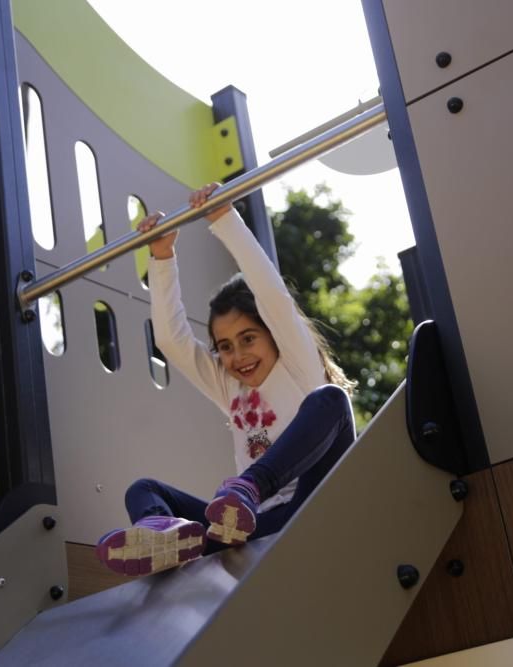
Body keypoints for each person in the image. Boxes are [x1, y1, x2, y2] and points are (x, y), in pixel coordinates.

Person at [96, 183, 356, 577]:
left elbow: (272, 296)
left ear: (273, 333)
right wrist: (161, 256)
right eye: (226, 347)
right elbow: (172, 340)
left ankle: (249, 486)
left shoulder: (298, 368)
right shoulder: (231, 388)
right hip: (255, 527)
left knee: (331, 400)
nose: (238, 356)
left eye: (248, 339)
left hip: (312, 506)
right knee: (144, 490)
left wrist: (224, 219)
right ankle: (166, 539)